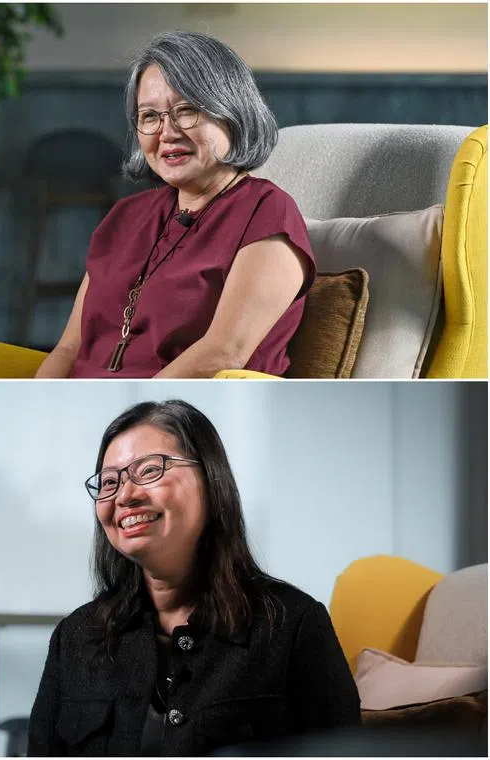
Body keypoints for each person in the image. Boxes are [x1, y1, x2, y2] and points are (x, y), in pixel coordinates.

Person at [28, 400, 360, 755]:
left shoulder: (291, 624)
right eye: (110, 482)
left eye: (150, 470)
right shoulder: (75, 637)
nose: (125, 495)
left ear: (211, 479)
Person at [36, 32, 314, 379]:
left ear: (232, 112)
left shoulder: (267, 212)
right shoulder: (125, 216)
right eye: (150, 116)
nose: (166, 133)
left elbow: (223, 352)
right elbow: (68, 349)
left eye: (186, 111)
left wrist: (129, 405)